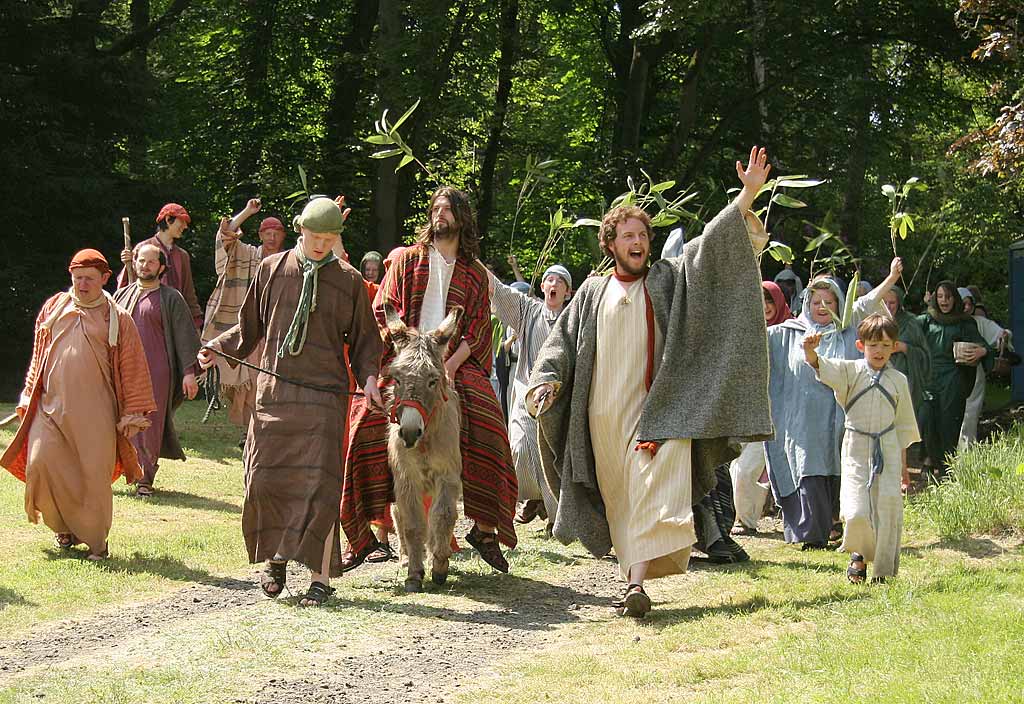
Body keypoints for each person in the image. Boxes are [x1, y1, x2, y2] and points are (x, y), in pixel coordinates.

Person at [528, 146, 775, 617]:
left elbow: (709, 249)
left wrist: (747, 195)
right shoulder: (592, 293)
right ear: (611, 244)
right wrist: (546, 382)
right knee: (623, 501)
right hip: (601, 417)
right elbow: (558, 346)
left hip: (660, 411)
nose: (637, 241)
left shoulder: (666, 280)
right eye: (627, 235)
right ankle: (633, 577)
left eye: (642, 234)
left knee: (651, 483)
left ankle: (636, 586)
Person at [198, 196, 383, 607]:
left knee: (320, 485)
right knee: (266, 479)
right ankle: (277, 559)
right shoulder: (271, 269)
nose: (320, 245)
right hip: (275, 396)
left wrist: (370, 378)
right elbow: (248, 328)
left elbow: (367, 342)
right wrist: (216, 346)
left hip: (323, 399)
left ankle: (320, 577)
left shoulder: (349, 281)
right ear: (301, 230)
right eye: (315, 236)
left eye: (329, 238)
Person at [341, 186, 519, 575]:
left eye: (448, 210)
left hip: (451, 360)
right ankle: (363, 534)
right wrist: (403, 347)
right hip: (405, 357)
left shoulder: (475, 273)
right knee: (363, 425)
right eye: (435, 209)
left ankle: (485, 528)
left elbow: (477, 331)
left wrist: (450, 365)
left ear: (462, 219)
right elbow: (382, 308)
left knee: (490, 421)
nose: (440, 215)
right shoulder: (407, 260)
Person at [2, 249, 156, 560]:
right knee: (40, 464)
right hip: (49, 407)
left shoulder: (117, 318)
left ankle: (97, 543)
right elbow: (38, 356)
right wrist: (27, 395)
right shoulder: (54, 308)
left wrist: (132, 413)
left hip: (96, 411)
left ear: (104, 278)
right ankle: (63, 526)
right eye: (77, 278)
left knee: (92, 476)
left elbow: (133, 366)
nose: (82, 284)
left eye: (89, 278)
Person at [765, 258, 903, 550]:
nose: (823, 307)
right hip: (804, 424)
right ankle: (812, 535)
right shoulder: (788, 333)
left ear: (839, 304)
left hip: (845, 421)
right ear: (808, 303)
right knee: (810, 471)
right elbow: (752, 339)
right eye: (817, 301)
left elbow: (869, 300)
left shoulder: (848, 329)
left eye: (829, 301)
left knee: (844, 472)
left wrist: (891, 277)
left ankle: (840, 527)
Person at [803, 313, 920, 583]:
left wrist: (903, 468)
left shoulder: (899, 380)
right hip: (856, 447)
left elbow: (903, 427)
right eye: (873, 345)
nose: (879, 351)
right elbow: (823, 367)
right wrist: (811, 351)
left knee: (887, 508)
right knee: (856, 510)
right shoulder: (851, 371)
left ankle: (883, 570)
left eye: (885, 345)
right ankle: (859, 552)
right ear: (861, 346)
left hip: (888, 448)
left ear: (894, 347)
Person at [488, 261, 572, 531]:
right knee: (520, 448)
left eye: (560, 281)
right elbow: (498, 290)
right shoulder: (528, 311)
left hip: (560, 402)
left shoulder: (574, 320)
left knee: (557, 459)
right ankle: (533, 499)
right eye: (549, 279)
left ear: (568, 292)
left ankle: (555, 517)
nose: (554, 284)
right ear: (542, 286)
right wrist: (467, 253)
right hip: (526, 393)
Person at [114, 244, 202, 496]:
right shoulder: (123, 295)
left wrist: (188, 372)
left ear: (161, 267)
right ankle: (124, 469)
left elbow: (186, 336)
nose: (145, 266)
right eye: (141, 261)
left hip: (157, 372)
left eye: (151, 262)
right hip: (125, 371)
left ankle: (145, 478)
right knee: (120, 420)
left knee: (150, 425)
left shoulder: (171, 297)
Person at [202, 199, 287, 429]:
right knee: (248, 382)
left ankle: (266, 427)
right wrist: (248, 212)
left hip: (278, 331)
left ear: (283, 237)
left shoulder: (291, 261)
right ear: (260, 236)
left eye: (276, 233)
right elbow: (225, 236)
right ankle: (250, 430)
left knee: (273, 380)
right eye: (267, 233)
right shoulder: (247, 254)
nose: (271, 238)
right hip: (249, 330)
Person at [730, 281, 791, 535]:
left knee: (747, 470)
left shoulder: (791, 332)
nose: (765, 306)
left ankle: (746, 520)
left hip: (773, 414)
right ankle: (741, 517)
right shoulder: (745, 330)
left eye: (770, 301)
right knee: (736, 467)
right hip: (742, 411)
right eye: (760, 300)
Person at [916, 282, 992, 473]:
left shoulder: (965, 322)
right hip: (929, 377)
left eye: (948, 297)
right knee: (926, 418)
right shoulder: (927, 320)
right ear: (935, 298)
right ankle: (929, 459)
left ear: (955, 299)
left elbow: (982, 345)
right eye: (940, 296)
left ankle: (945, 468)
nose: (944, 301)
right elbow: (905, 332)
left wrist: (982, 351)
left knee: (949, 423)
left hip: (953, 378)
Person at [119, 203, 203, 330]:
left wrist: (195, 325)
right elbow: (127, 286)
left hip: (175, 318)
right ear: (169, 220)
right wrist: (128, 265)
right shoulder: (142, 248)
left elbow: (188, 293)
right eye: (182, 221)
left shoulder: (182, 256)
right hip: (147, 318)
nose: (185, 227)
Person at [957, 287, 1010, 449]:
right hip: (951, 375)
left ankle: (966, 455)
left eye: (968, 304)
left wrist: (1004, 336)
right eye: (962, 304)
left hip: (975, 375)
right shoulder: (946, 322)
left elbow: (1001, 333)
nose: (965, 307)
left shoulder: (980, 323)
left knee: (970, 415)